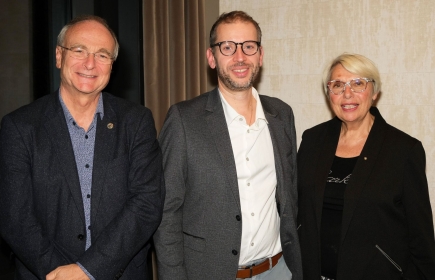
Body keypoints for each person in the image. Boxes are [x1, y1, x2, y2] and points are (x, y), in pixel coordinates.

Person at [0, 15, 164, 280]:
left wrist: (88, 271)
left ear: (112, 64)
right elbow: (15, 218)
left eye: (102, 55)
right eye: (79, 51)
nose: (90, 63)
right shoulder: (20, 127)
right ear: (58, 56)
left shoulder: (137, 122)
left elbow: (146, 204)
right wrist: (61, 275)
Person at [154, 10, 302, 280]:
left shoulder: (282, 115)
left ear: (260, 55)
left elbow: (291, 197)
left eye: (248, 46)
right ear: (212, 58)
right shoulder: (184, 120)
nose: (240, 57)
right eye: (227, 47)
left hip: (279, 270)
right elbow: (166, 212)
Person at [297, 53, 435, 280]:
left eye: (358, 83)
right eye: (338, 85)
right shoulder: (312, 140)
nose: (347, 93)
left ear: (374, 92)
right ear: (329, 94)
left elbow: (421, 236)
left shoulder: (403, 150)